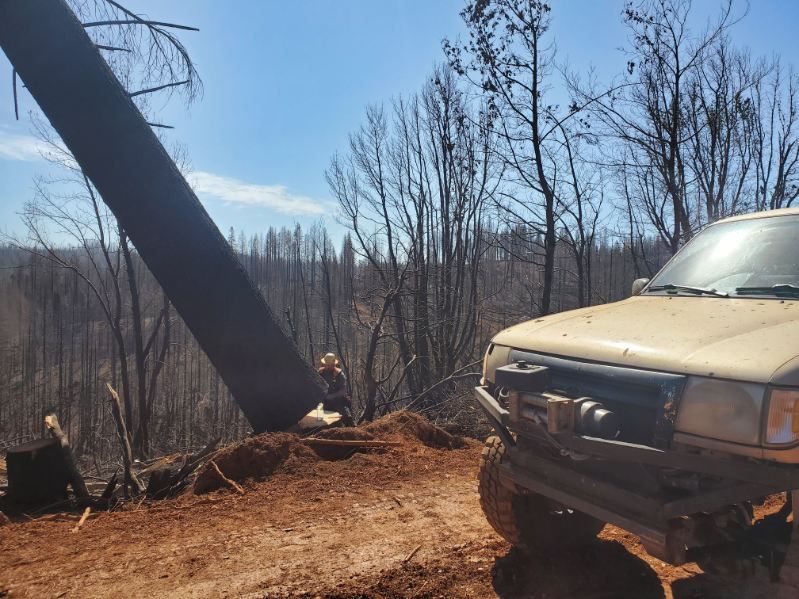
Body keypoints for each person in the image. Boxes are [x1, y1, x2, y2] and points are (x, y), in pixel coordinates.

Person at [318, 353, 354, 426]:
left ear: (334, 364)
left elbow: (343, 391)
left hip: (338, 400)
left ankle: (352, 426)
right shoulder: (320, 372)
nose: (328, 366)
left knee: (345, 415)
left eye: (330, 364)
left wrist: (331, 396)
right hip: (324, 401)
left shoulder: (339, 374)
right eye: (327, 364)